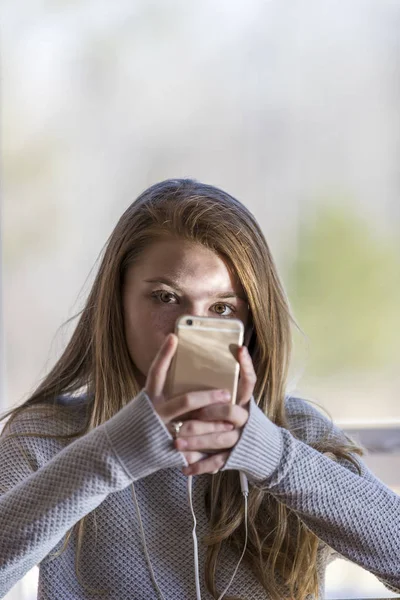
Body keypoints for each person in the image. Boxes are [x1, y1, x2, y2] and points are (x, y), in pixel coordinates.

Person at [0, 178, 399, 600]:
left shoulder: (296, 434)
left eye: (222, 308)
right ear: (116, 305)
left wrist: (273, 457)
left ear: (252, 323)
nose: (191, 328)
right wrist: (109, 455)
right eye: (166, 297)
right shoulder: (46, 437)